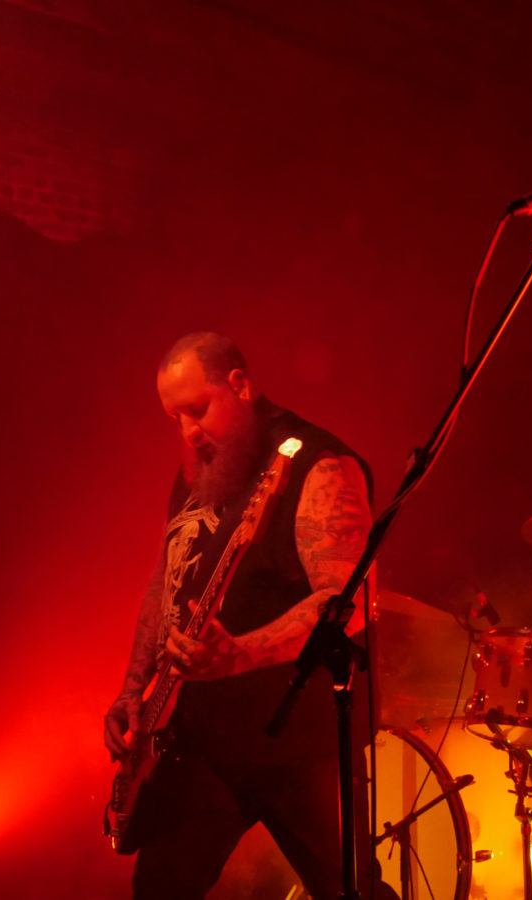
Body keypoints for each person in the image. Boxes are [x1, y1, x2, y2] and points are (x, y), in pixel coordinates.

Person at [103, 332, 391, 899]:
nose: (188, 430)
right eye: (174, 417)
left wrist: (240, 653)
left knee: (348, 891)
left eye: (197, 409)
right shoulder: (199, 472)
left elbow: (346, 600)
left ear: (239, 384)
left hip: (297, 741)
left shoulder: (316, 463)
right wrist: (133, 690)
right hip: (202, 738)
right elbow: (166, 580)